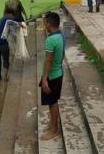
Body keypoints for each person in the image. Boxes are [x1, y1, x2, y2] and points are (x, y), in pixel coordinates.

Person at [40, 12, 66, 140]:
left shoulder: (50, 40)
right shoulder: (61, 35)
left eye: (45, 23)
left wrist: (45, 79)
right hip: (59, 72)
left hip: (52, 76)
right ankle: (52, 124)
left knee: (52, 102)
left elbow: (48, 61)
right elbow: (61, 55)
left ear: (49, 25)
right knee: (52, 101)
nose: (44, 26)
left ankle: (54, 129)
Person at [0, 8, 19, 81]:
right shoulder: (8, 20)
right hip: (3, 44)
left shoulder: (1, 19)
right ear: (10, 14)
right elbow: (14, 28)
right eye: (13, 16)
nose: (13, 18)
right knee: (6, 60)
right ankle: (5, 78)